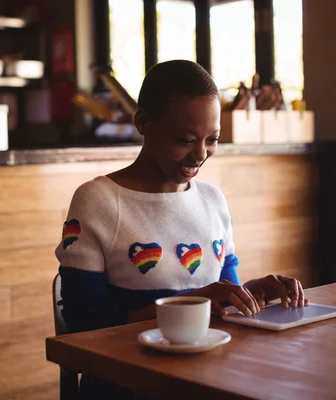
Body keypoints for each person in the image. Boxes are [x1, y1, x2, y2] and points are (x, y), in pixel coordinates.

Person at [55, 60, 308, 399]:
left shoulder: (213, 200)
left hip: (209, 379)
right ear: (143, 122)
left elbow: (222, 303)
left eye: (212, 140)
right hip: (127, 386)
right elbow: (85, 328)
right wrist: (194, 300)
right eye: (185, 139)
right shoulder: (99, 200)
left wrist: (252, 293)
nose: (200, 155)